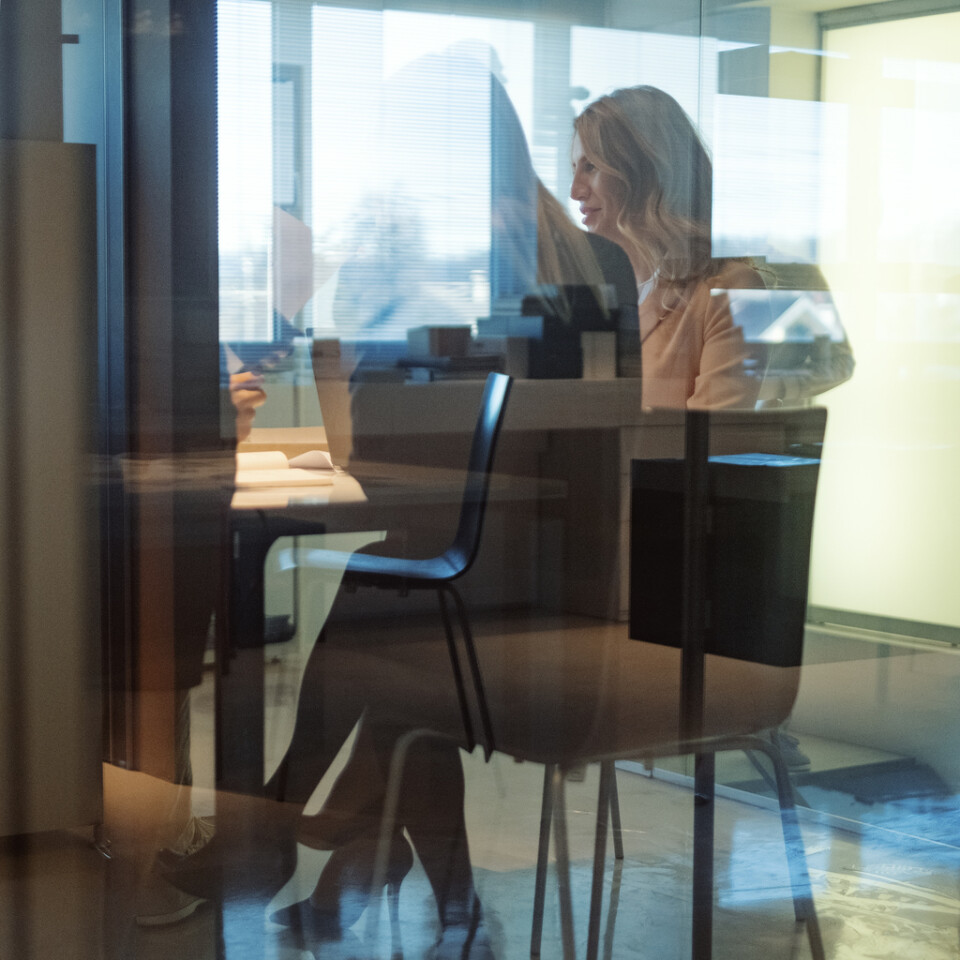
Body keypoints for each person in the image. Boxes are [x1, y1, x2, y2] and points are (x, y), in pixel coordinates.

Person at [570, 85, 762, 410]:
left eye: (591, 167)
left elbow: (708, 444)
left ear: (646, 170)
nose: (575, 191)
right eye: (574, 168)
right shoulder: (596, 295)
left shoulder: (732, 290)